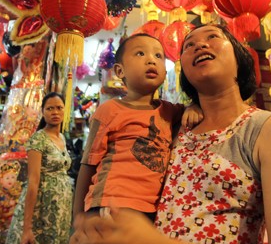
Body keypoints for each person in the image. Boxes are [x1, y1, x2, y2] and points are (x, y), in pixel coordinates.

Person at [71, 24, 271, 244]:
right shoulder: (172, 126)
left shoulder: (270, 130)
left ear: (240, 58)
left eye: (213, 37)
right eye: (188, 45)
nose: (199, 45)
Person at [73, 33, 203, 222]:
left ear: (165, 72)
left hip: (152, 210)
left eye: (158, 56)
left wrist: (193, 107)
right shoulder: (109, 110)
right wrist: (78, 216)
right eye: (140, 54)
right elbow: (88, 164)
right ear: (120, 71)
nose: (151, 60)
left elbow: (190, 111)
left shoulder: (169, 111)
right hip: (111, 205)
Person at [4, 92, 73, 244]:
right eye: (50, 108)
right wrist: (27, 227)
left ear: (65, 110)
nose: (55, 112)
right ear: (43, 112)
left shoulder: (62, 138)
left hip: (60, 209)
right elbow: (33, 182)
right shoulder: (38, 139)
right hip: (42, 209)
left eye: (59, 108)